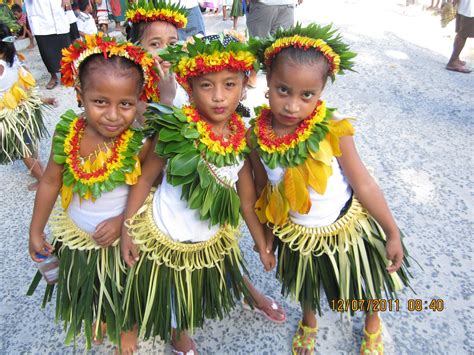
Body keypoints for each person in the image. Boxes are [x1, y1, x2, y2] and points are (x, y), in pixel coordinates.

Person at [248, 23, 413, 355]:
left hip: (346, 228)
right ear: (268, 82)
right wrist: (264, 239)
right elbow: (263, 187)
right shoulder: (256, 136)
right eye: (283, 90)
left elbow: (363, 183)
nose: (293, 105)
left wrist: (392, 231)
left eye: (306, 95)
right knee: (308, 284)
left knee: (365, 282)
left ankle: (371, 322)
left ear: (321, 92)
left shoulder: (333, 130)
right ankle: (309, 320)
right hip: (298, 234)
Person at [120, 34, 286, 355]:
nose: (219, 97)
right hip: (167, 234)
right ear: (189, 87)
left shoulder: (241, 136)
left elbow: (247, 200)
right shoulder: (174, 129)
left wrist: (261, 241)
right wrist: (128, 230)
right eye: (206, 86)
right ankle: (178, 333)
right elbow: (144, 180)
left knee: (219, 259)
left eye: (229, 84)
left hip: (211, 233)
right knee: (176, 292)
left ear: (245, 85)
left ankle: (244, 290)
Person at [27, 33, 160, 351]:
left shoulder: (139, 143)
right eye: (101, 102)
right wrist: (36, 229)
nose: (114, 115)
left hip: (121, 239)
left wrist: (121, 223)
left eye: (125, 104)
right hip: (77, 237)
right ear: (79, 94)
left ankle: (127, 327)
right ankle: (99, 315)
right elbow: (49, 182)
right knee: (91, 286)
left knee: (124, 287)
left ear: (138, 100)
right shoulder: (68, 133)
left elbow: (149, 191)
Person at [0, 22, 48, 190]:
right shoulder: (14, 59)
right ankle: (41, 171)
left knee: (23, 151)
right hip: (24, 109)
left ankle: (43, 181)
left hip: (11, 113)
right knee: (29, 143)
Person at [125, 0, 189, 109]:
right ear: (136, 48)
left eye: (172, 43)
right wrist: (167, 98)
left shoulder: (181, 77)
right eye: (155, 44)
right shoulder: (136, 89)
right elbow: (148, 125)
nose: (166, 52)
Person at [23, 0, 71, 89]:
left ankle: (65, 74)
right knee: (46, 50)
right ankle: (53, 76)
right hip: (40, 16)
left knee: (64, 47)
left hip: (58, 12)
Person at [446, 0, 473, 73]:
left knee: (460, 33)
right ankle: (453, 61)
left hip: (464, 6)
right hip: (470, 8)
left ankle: (455, 58)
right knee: (463, 34)